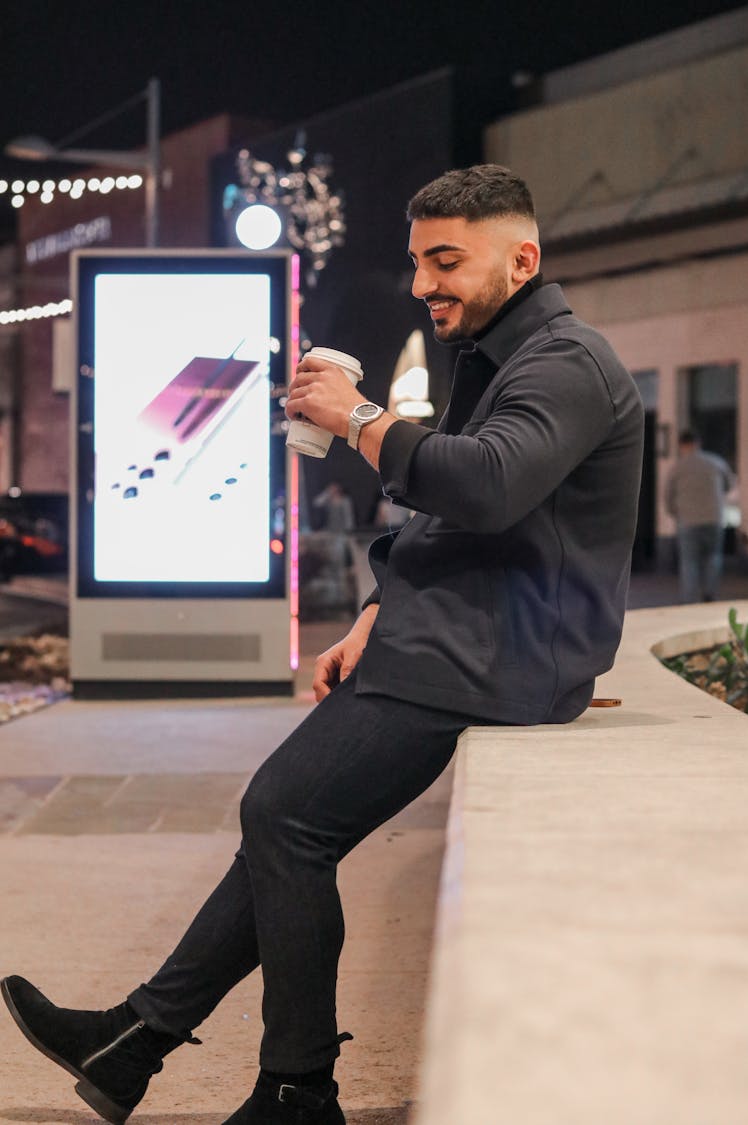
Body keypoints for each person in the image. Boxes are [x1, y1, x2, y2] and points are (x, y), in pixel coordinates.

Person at [0, 165, 644, 1124]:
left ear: (523, 258)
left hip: (497, 652)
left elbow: (487, 487)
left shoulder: (565, 363)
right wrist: (379, 611)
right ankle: (133, 1043)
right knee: (285, 826)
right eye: (419, 260)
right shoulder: (499, 355)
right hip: (458, 633)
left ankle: (293, 1087)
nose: (425, 283)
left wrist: (353, 415)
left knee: (284, 817)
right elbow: (455, 518)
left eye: (447, 261)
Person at [664, 430, 736, 602]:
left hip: (688, 520)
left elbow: (668, 496)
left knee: (689, 561)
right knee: (713, 557)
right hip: (714, 518)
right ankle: (710, 594)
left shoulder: (677, 468)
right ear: (698, 443)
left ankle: (690, 599)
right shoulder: (716, 462)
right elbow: (729, 485)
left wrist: (674, 512)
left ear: (681, 446)